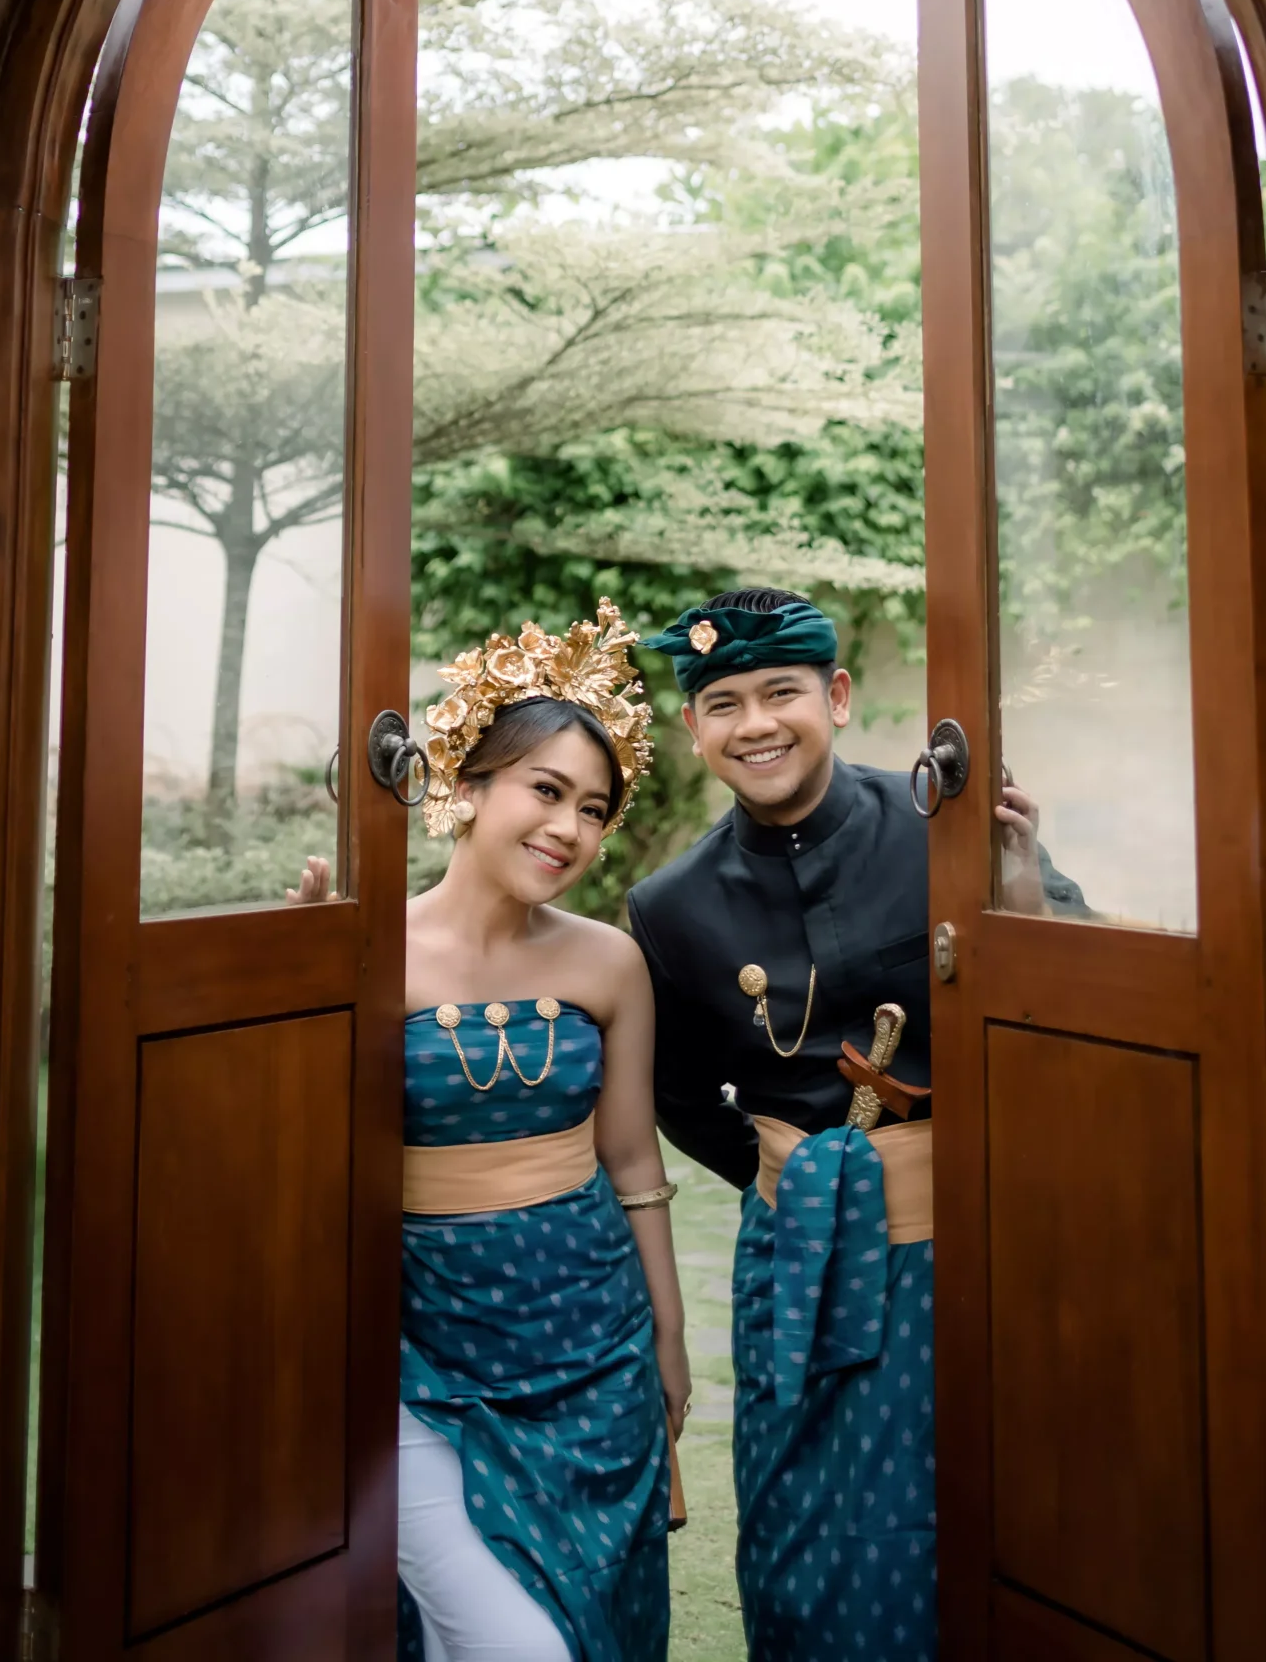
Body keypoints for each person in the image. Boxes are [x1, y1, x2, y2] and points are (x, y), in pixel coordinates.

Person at [627, 587, 1084, 1662]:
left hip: (973, 1234)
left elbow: (1071, 992)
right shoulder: (669, 906)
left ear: (834, 696)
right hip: (797, 1252)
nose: (755, 724)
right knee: (806, 1529)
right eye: (723, 703)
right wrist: (793, 1173)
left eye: (780, 692)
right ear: (692, 727)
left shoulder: (942, 827)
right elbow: (676, 1094)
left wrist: (1022, 885)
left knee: (996, 1505)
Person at [292, 601, 688, 1662]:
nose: (569, 828)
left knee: (591, 1625)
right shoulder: (367, 953)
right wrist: (295, 981)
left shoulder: (608, 962)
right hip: (419, 1350)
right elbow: (295, 1155)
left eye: (593, 809)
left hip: (595, 1346)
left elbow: (632, 1162)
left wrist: (666, 1333)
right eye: (545, 790)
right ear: (467, 786)